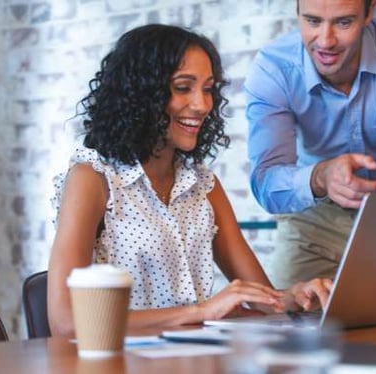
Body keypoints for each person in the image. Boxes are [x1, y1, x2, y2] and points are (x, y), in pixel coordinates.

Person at [47, 24, 331, 337]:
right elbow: (66, 322)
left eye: (208, 89)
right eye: (183, 87)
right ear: (142, 94)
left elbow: (264, 298)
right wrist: (201, 312)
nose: (202, 104)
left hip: (190, 359)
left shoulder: (203, 185)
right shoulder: (93, 179)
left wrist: (294, 297)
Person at [245, 0, 376, 288]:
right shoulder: (273, 68)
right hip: (312, 222)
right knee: (290, 324)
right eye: (312, 21)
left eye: (343, 22)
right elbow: (267, 185)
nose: (326, 41)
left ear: (369, 11)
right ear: (297, 11)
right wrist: (321, 176)